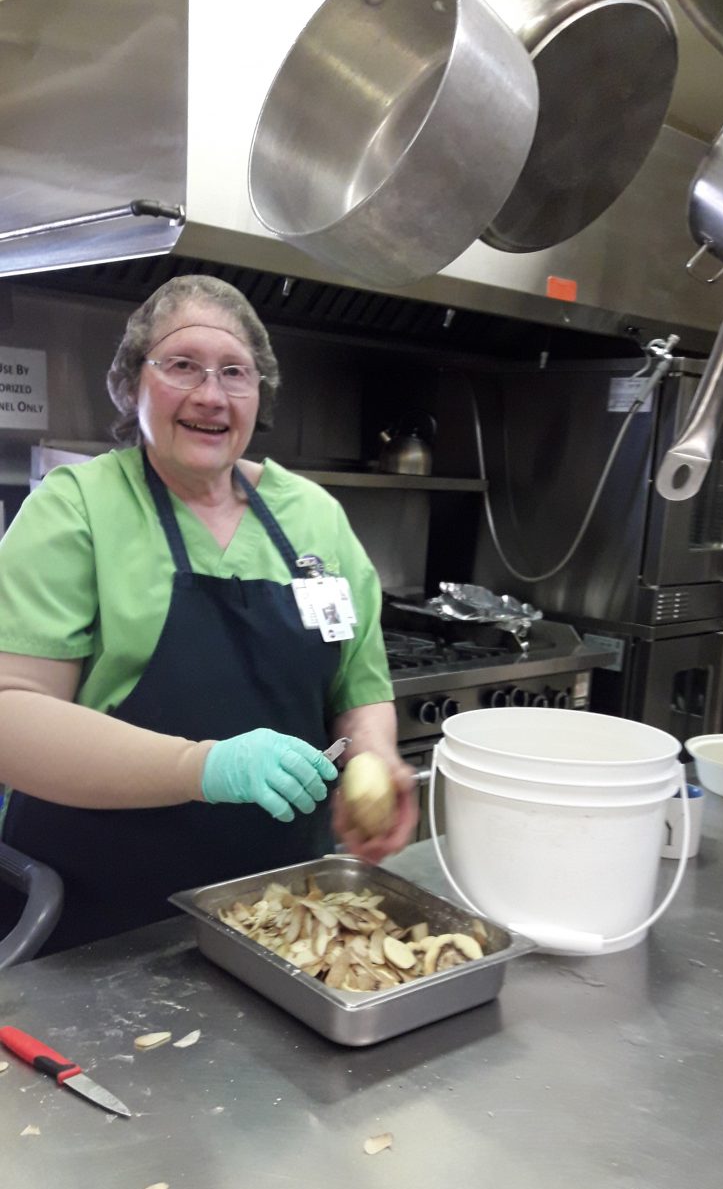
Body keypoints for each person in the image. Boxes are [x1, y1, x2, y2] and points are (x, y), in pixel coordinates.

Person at [0, 274, 417, 953]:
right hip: (95, 921)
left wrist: (374, 754)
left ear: (259, 393)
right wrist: (207, 766)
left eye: (235, 372)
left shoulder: (314, 516)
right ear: (133, 381)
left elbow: (359, 688)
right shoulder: (77, 506)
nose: (210, 395)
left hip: (280, 917)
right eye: (182, 366)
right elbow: (10, 719)